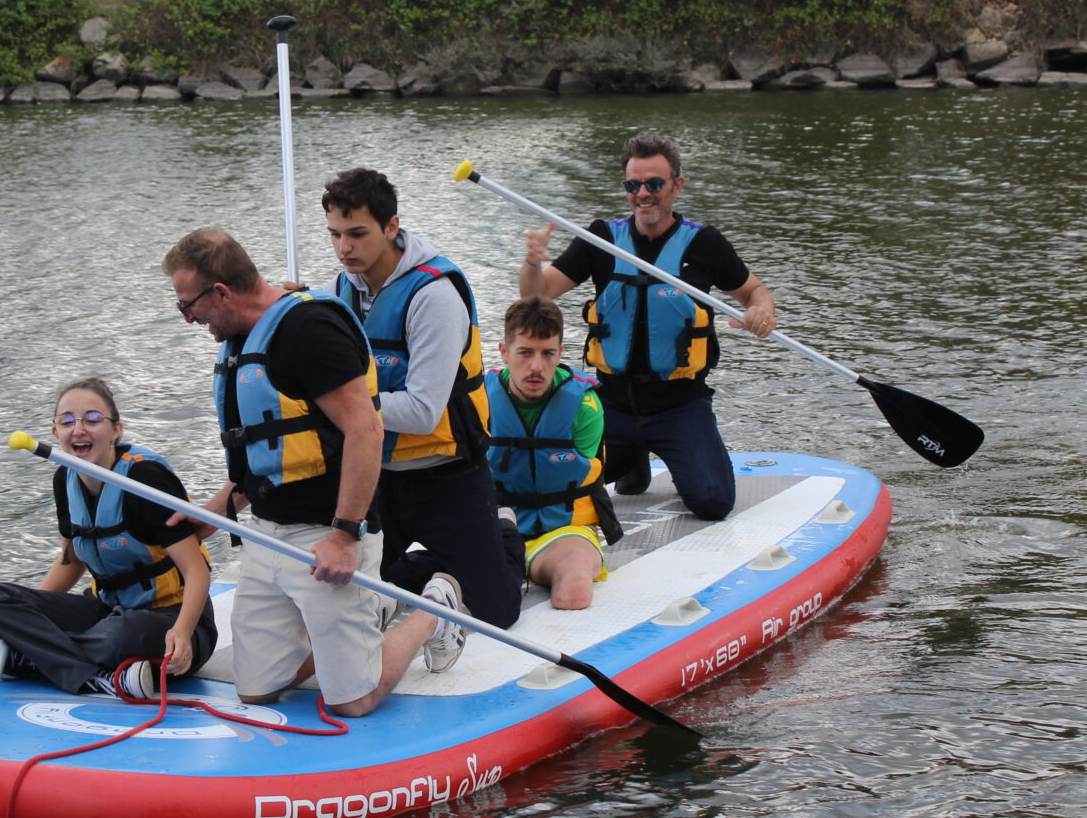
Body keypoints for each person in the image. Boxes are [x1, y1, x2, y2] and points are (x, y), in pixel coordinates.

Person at [163, 228, 464, 717]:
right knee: (256, 692)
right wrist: (216, 513)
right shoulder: (241, 340)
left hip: (328, 533)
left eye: (187, 304)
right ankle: (365, 618)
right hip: (267, 534)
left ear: (220, 292)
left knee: (354, 701)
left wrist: (346, 536)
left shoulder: (311, 331)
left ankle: (431, 614)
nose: (187, 317)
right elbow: (269, 456)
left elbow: (365, 431)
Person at [520, 132, 775, 521]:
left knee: (712, 502)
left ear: (677, 186)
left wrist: (761, 311)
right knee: (554, 488)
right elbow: (535, 297)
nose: (643, 194)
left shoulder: (703, 243)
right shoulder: (602, 239)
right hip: (611, 404)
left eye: (654, 184)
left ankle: (663, 456)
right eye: (633, 185)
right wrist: (532, 264)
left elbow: (755, 292)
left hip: (680, 405)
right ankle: (630, 460)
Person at [321, 168, 523, 629]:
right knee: (358, 597)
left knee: (497, 612)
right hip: (374, 475)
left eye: (357, 234)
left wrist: (339, 408)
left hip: (446, 475)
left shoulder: (434, 295)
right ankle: (431, 566)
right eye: (335, 234)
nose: (344, 248)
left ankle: (504, 533)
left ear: (392, 227)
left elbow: (421, 410)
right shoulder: (340, 290)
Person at [0, 377, 216, 700]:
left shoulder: (145, 481)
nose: (79, 430)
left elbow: (197, 570)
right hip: (104, 610)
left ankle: (34, 659)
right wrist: (32, 615)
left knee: (121, 635)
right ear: (55, 432)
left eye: (92, 420)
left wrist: (183, 632)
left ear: (116, 430)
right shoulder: (65, 478)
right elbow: (70, 562)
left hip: (172, 620)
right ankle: (97, 678)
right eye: (67, 421)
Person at [487, 297, 621, 610]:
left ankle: (525, 570)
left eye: (548, 354)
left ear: (560, 353)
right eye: (525, 353)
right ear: (504, 353)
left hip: (561, 531)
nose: (536, 367)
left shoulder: (585, 408)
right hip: (496, 528)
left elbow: (574, 472)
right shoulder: (478, 401)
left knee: (574, 592)